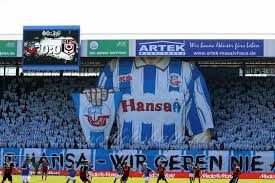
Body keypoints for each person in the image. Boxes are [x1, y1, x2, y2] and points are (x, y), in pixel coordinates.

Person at [78, 57, 213, 147]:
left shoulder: (189, 71)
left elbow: (201, 133)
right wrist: (91, 103)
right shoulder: (113, 68)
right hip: (125, 158)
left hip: (170, 160)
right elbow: (97, 131)